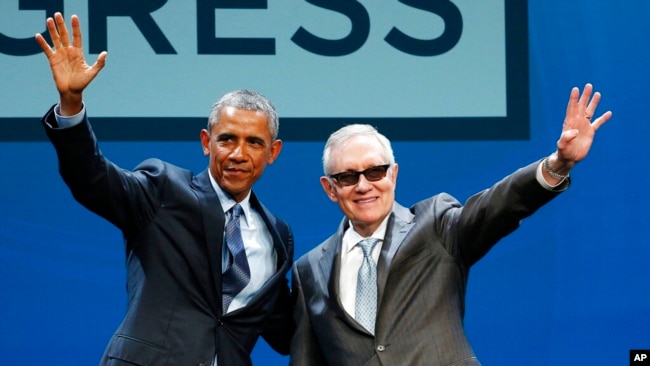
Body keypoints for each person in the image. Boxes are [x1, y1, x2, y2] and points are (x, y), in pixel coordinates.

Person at [35, 13, 293, 366]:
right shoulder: (163, 189)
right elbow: (92, 179)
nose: (238, 154)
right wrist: (71, 105)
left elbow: (285, 331)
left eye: (254, 143)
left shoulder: (276, 234)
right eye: (227, 139)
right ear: (206, 142)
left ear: (272, 152)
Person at [290, 84, 612, 365]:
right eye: (347, 177)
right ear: (329, 188)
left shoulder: (435, 225)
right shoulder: (309, 271)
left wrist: (558, 164)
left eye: (375, 172)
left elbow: (498, 205)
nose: (363, 186)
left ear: (393, 175)